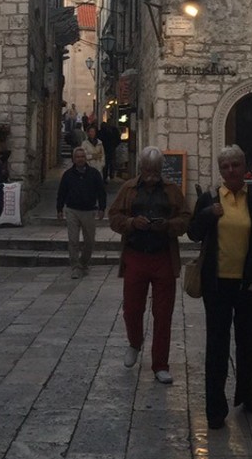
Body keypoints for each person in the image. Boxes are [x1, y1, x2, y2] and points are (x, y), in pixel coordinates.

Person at [188, 145, 252, 429]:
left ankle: (246, 394)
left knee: (248, 341)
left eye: (235, 166)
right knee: (216, 345)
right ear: (220, 169)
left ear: (244, 167)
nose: (230, 171)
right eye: (225, 167)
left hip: (248, 285)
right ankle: (215, 407)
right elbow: (193, 234)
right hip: (217, 285)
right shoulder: (209, 199)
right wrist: (207, 215)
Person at [108, 146, 191, 384]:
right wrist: (133, 222)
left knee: (163, 313)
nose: (152, 175)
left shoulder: (172, 191)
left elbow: (185, 218)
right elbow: (114, 217)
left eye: (156, 170)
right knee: (132, 309)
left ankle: (160, 364)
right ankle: (134, 342)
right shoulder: (129, 189)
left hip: (163, 256)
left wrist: (167, 225)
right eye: (148, 170)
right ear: (141, 169)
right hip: (136, 255)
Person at [56, 145, 107, 278]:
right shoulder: (68, 175)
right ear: (73, 159)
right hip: (72, 210)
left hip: (89, 211)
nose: (80, 159)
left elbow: (101, 192)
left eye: (82, 156)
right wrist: (59, 208)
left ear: (86, 158)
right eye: (77, 157)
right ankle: (75, 266)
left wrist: (102, 208)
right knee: (73, 240)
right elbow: (61, 192)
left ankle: (84, 262)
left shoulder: (94, 174)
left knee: (89, 241)